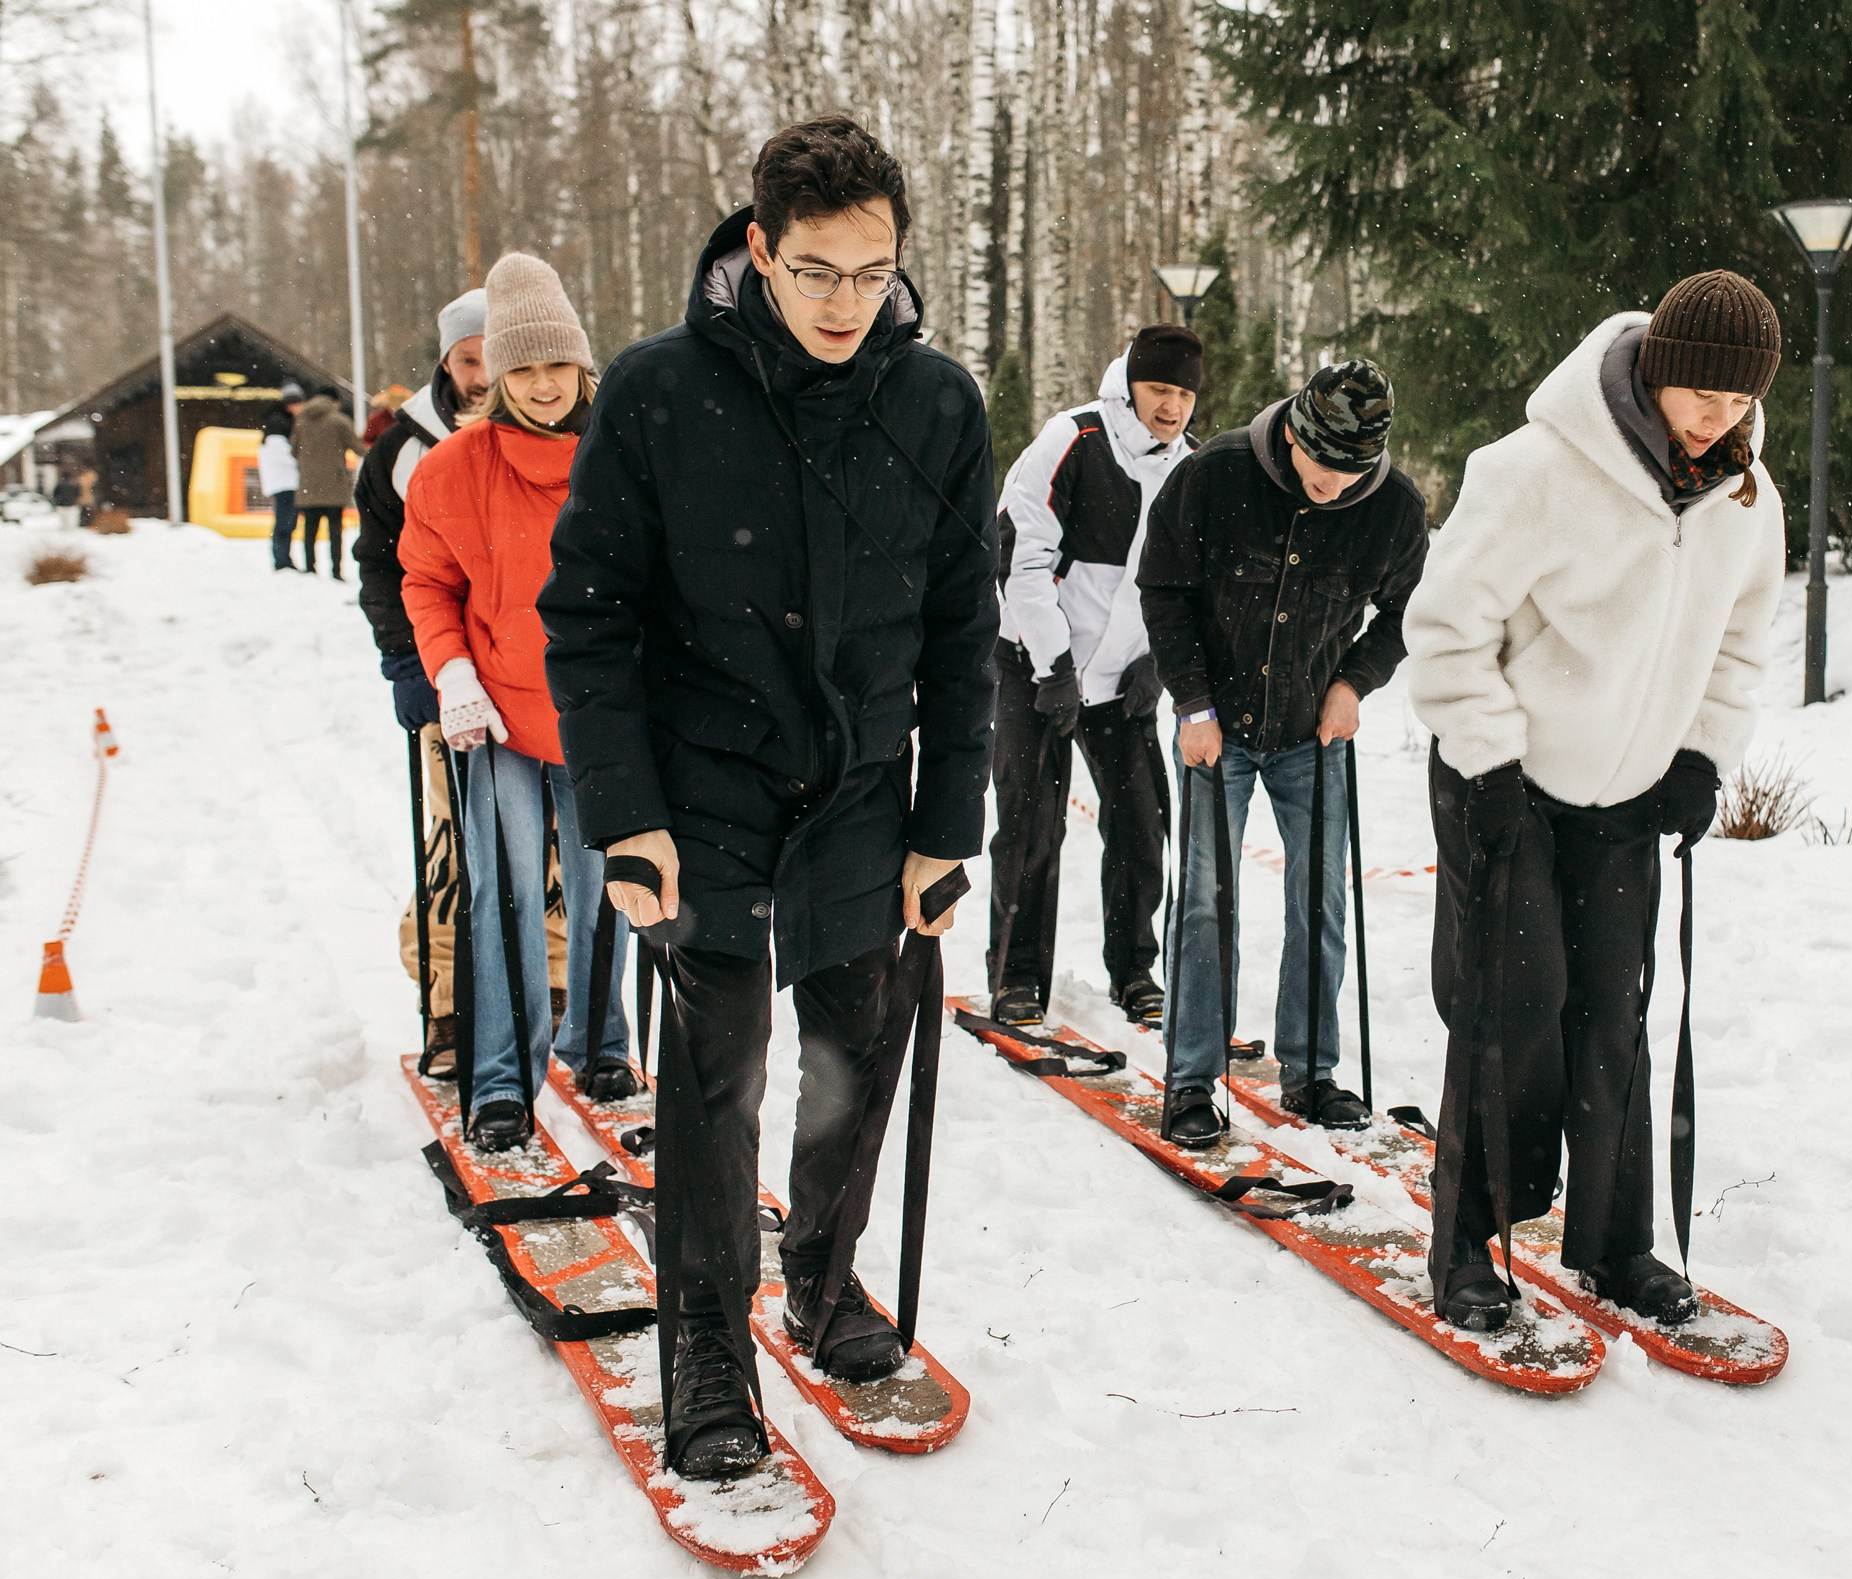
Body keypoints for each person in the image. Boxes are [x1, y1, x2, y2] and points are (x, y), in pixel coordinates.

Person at [539, 117, 997, 1480]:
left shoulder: (937, 406)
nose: (847, 304)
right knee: (716, 1077)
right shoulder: (659, 390)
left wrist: (943, 826)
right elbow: (591, 614)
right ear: (758, 251)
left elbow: (966, 633)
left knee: (858, 1056)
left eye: (873, 273)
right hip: (702, 789)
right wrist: (625, 814)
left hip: (861, 791)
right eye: (816, 273)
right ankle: (704, 1341)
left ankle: (820, 1273)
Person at [1405, 269, 1787, 1334]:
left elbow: (1742, 644)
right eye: (1703, 397)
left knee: (1612, 1014)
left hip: (1630, 789)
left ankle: (1616, 1242)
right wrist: (1483, 760)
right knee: (1509, 1011)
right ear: (1658, 372)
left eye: (1741, 403)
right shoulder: (1535, 470)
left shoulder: (1747, 502)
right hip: (1505, 778)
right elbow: (1443, 625)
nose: (1721, 422)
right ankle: (1470, 1244)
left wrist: (1703, 755)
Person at [1137, 360, 1426, 1147]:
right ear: (1293, 433)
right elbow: (1163, 589)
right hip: (1214, 728)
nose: (1334, 483)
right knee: (1204, 905)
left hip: (1312, 731)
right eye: (1322, 464)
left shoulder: (1394, 510)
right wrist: (1192, 703)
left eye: (1352, 469)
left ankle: (1310, 1073)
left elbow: (1408, 613)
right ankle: (1192, 1080)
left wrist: (1356, 683)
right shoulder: (1214, 475)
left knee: (1322, 901)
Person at [400, 253, 634, 1152]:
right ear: (496, 375)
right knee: (501, 896)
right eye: (522, 369)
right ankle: (501, 1079)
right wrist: (451, 675)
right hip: (496, 711)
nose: (542, 387)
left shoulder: (621, 457)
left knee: (609, 882)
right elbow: (426, 581)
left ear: (583, 366)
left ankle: (600, 1042)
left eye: (555, 366)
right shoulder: (454, 468)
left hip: (602, 710)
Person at [986, 324, 1202, 1029]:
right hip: (1036, 670)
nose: (1170, 406)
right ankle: (1017, 977)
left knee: (1143, 826)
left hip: (1123, 682)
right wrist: (1051, 667)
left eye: (1183, 394)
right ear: (1130, 384)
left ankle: (1135, 970)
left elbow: (1189, 585)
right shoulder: (1073, 440)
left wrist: (1157, 666)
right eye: (1158, 389)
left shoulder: (1191, 468)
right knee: (1030, 827)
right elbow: (1021, 557)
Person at [357, 289, 492, 1078]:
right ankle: (447, 1002)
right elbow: (383, 566)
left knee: (547, 849)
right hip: (447, 675)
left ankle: (548, 991)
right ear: (446, 360)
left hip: (535, 675)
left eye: (490, 359)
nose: (480, 376)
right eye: (468, 360)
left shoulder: (547, 425)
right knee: (456, 843)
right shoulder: (405, 450)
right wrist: (407, 662)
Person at [293, 384, 362, 578]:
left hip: (309, 485)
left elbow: (293, 450)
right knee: (335, 533)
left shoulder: (301, 421)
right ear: (334, 402)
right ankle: (336, 571)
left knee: (310, 531)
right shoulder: (339, 421)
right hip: (334, 484)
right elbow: (357, 448)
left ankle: (309, 567)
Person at [257, 392, 300, 570]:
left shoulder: (274, 424)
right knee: (285, 522)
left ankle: (282, 558)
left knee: (285, 522)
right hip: (285, 482)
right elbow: (285, 456)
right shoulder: (278, 426)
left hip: (282, 482)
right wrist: (301, 461)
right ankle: (282, 560)